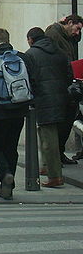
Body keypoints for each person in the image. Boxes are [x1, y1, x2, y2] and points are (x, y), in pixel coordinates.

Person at [0, 28, 30, 200]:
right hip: (19, 111)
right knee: (11, 148)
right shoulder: (23, 57)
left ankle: (5, 175)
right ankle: (7, 186)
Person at [24, 27, 74, 187]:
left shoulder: (31, 54)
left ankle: (55, 176)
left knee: (48, 137)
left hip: (43, 99)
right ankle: (46, 166)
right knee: (50, 133)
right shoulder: (60, 52)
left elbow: (29, 79)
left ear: (31, 39)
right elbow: (69, 76)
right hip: (61, 98)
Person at [45, 14, 83, 165]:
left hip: (68, 84)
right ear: (69, 23)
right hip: (60, 84)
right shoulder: (54, 34)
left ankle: (59, 154)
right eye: (77, 28)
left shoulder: (68, 38)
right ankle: (55, 157)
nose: (78, 33)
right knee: (60, 123)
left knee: (67, 121)